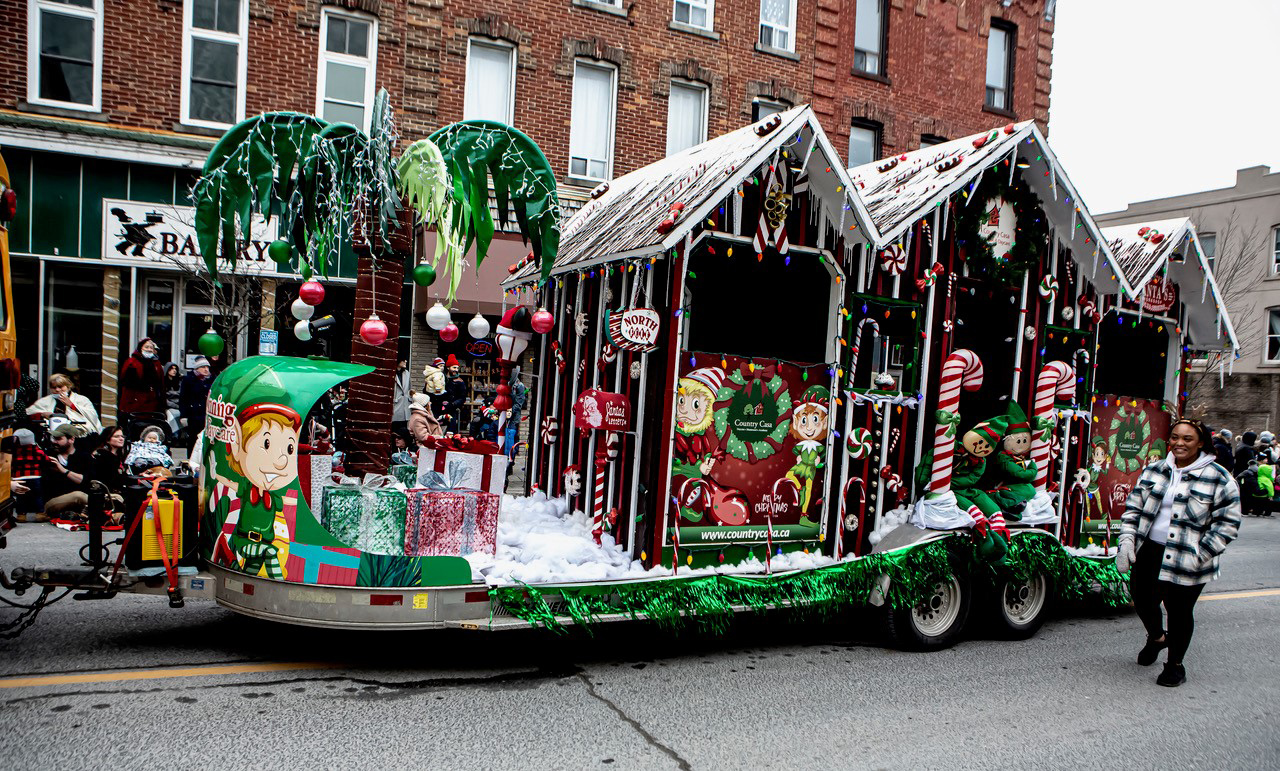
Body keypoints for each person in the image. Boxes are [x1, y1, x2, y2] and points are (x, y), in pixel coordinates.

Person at [1116, 419, 1242, 687]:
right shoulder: (1154, 470)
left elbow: (1227, 524)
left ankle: (1175, 665)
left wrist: (1201, 554)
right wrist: (1127, 538)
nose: (1179, 444)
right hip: (1150, 549)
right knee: (1142, 600)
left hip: (1189, 555)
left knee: (1179, 611)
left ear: (1200, 443)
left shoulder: (1219, 477)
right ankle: (1157, 637)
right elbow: (1133, 509)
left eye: (1187, 439)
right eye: (1175, 438)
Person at [40, 424, 90, 520]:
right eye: (53, 438)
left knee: (116, 497)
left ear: (71, 439)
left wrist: (63, 470)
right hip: (53, 501)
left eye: (58, 439)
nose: (54, 442)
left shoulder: (83, 457)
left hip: (82, 499)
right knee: (78, 495)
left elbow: (85, 480)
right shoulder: (49, 456)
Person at [26, 373, 103, 434]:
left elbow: (92, 417)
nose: (57, 390)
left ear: (68, 387)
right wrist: (42, 415)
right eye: (54, 387)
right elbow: (28, 414)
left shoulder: (82, 400)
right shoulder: (45, 401)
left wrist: (72, 405)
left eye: (60, 387)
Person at [119, 337, 165, 420]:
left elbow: (160, 384)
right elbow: (127, 383)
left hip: (152, 402)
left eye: (151, 348)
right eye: (146, 347)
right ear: (141, 348)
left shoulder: (156, 364)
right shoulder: (132, 362)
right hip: (135, 402)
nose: (149, 349)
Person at [179, 356, 213, 454]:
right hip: (193, 414)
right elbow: (183, 398)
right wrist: (183, 415)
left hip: (206, 414)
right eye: (203, 367)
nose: (206, 369)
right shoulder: (188, 380)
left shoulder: (211, 380)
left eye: (207, 367)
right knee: (193, 440)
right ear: (197, 368)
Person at [91, 426, 128, 495]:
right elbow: (114, 480)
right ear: (107, 440)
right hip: (107, 493)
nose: (121, 439)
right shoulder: (102, 456)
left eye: (122, 436)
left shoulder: (118, 455)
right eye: (117, 436)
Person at [391, 359, 411, 438]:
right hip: (395, 405)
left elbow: (409, 388)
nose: (406, 361)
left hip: (405, 407)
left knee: (403, 432)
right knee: (394, 431)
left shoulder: (407, 373)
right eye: (403, 360)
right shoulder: (391, 373)